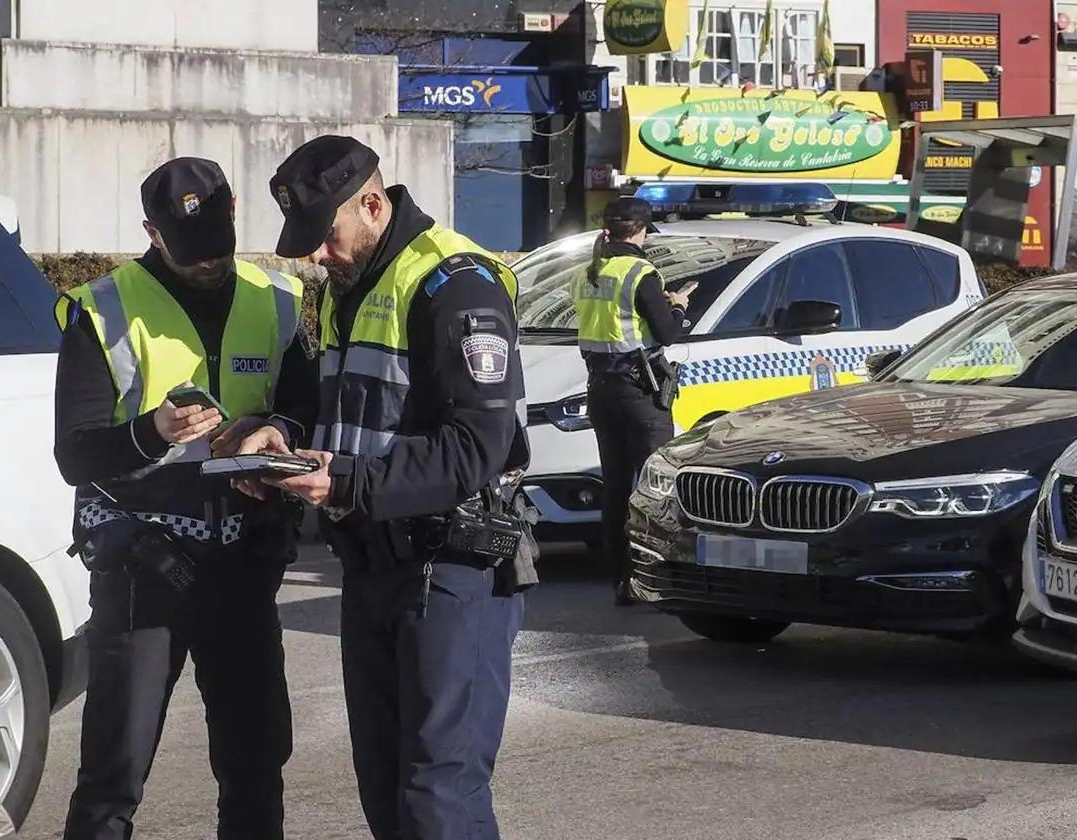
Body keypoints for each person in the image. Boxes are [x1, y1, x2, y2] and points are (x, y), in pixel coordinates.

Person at [231, 135, 536, 840]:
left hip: (451, 568)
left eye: (326, 236)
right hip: (372, 564)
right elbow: (321, 390)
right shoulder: (348, 284)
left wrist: (346, 479)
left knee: (439, 794)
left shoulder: (455, 283)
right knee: (385, 783)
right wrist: (279, 431)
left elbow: (476, 448)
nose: (316, 255)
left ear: (372, 204)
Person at [53, 157, 317, 840]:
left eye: (218, 248)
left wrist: (274, 429)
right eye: (191, 253)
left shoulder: (276, 298)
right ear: (151, 231)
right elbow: (74, 455)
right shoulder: (103, 309)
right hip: (144, 564)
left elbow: (305, 408)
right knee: (115, 771)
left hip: (244, 556)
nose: (208, 265)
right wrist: (152, 431)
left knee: (255, 763)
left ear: (233, 213)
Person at [571, 196, 695, 606]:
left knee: (617, 487)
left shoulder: (587, 272)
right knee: (653, 488)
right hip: (639, 393)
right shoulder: (640, 272)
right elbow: (667, 334)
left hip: (600, 391)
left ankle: (621, 579)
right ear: (641, 230)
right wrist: (676, 306)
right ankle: (652, 578)